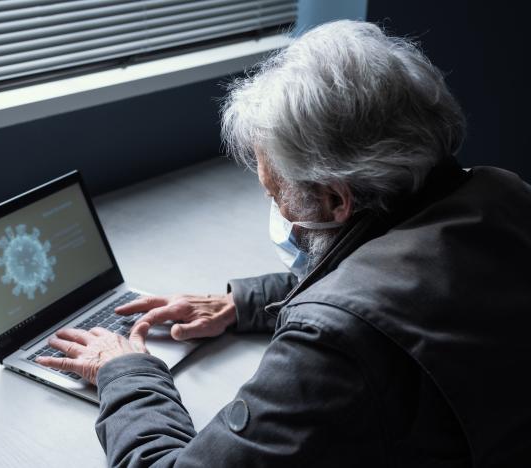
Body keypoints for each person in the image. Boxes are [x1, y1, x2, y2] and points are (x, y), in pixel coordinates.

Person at [36, 20, 531, 467]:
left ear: (337, 200)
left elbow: (361, 321)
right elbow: (417, 296)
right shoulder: (503, 192)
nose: (277, 210)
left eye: (276, 194)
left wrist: (128, 373)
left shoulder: (334, 344)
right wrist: (244, 303)